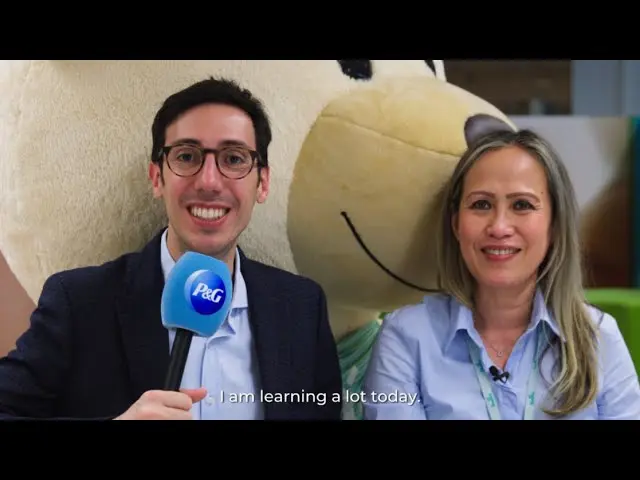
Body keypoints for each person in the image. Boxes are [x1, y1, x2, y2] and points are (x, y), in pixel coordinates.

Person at [0, 77, 342, 420]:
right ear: (156, 177)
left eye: (234, 159)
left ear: (262, 183)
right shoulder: (79, 302)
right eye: (187, 156)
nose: (209, 181)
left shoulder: (302, 307)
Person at [362, 129, 640, 420]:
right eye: (481, 204)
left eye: (522, 205)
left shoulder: (598, 337)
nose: (499, 227)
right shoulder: (406, 338)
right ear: (456, 224)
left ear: (555, 226)